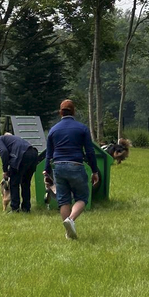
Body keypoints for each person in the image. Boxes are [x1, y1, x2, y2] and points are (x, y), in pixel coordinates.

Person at [45, 99, 99, 240]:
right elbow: (90, 151)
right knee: (82, 197)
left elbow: (48, 154)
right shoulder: (82, 128)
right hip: (76, 165)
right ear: (74, 112)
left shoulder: (53, 130)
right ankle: (71, 220)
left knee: (63, 200)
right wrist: (95, 171)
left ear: (60, 113)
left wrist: (46, 171)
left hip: (59, 167)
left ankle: (68, 233)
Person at [0, 133, 39, 213]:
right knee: (25, 183)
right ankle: (26, 208)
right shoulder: (10, 139)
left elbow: (4, 152)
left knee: (14, 183)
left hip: (22, 155)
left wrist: (5, 170)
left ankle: (15, 208)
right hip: (33, 153)